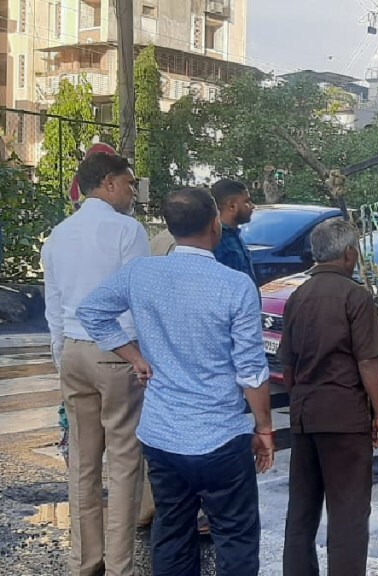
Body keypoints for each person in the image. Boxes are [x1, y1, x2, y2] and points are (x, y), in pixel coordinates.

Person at [77, 187, 274, 576]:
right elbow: (250, 370)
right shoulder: (235, 286)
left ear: (170, 226)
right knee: (235, 536)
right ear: (216, 224)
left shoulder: (141, 273)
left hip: (162, 435)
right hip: (221, 436)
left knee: (172, 530)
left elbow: (92, 312)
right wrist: (264, 428)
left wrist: (134, 356)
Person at [41, 152, 149, 576]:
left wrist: (60, 353)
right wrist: (140, 357)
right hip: (117, 353)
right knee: (124, 465)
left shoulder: (59, 234)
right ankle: (120, 567)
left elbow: (53, 304)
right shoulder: (127, 230)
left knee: (83, 464)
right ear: (108, 183)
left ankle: (84, 563)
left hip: (72, 351)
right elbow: (136, 300)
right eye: (128, 182)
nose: (132, 191)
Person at [278, 218, 378, 576]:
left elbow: (288, 365)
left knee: (302, 510)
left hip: (306, 415)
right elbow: (369, 362)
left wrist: (301, 403)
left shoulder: (297, 297)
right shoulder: (354, 297)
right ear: (348, 254)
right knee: (348, 513)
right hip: (344, 416)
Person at [211, 179, 258, 284]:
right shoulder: (216, 239)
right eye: (246, 201)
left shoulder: (234, 234)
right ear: (232, 206)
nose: (252, 206)